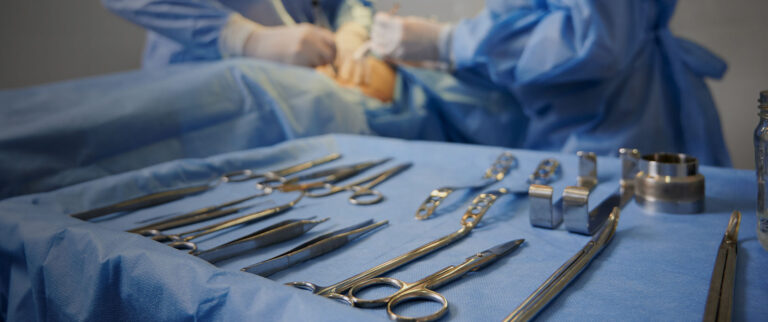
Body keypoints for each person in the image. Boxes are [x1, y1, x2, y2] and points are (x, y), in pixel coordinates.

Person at [369, 0, 731, 166]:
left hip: (620, 122)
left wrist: (453, 42)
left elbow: (596, 41)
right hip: (579, 121)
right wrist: (454, 51)